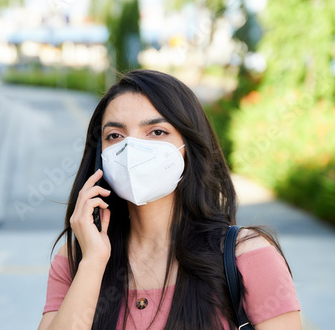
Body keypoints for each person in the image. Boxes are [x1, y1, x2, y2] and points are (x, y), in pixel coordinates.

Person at [37, 69, 301, 330]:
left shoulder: (247, 256)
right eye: (115, 136)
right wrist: (93, 262)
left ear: (189, 148)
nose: (131, 149)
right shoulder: (75, 258)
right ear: (100, 156)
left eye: (156, 132)